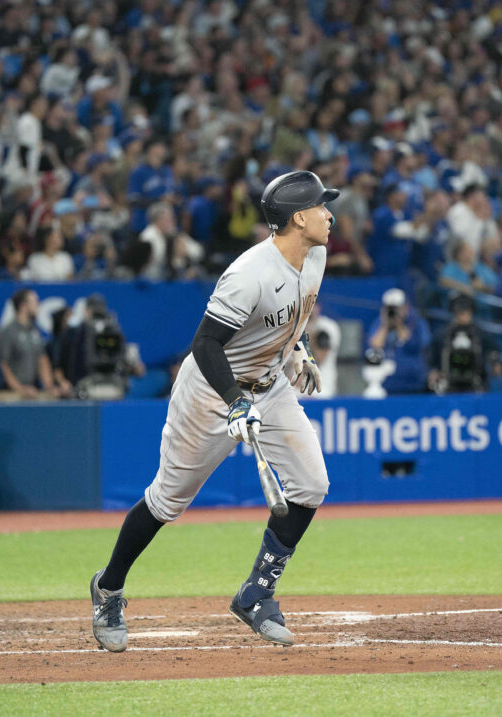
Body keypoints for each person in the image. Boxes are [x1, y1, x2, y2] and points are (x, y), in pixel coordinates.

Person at [90, 170, 337, 652]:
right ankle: (109, 587)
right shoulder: (250, 274)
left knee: (312, 484)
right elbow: (205, 344)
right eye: (321, 206)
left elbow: (297, 314)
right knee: (167, 501)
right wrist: (234, 401)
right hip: (210, 391)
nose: (330, 214)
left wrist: (300, 350)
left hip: (270, 383)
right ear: (299, 217)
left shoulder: (316, 255)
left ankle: (256, 593)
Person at [0, 288, 72, 399]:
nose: (38, 305)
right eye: (35, 302)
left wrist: (49, 386)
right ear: (23, 306)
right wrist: (19, 388)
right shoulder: (8, 332)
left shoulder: (34, 331)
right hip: (11, 394)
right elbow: (3, 365)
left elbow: (42, 359)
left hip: (32, 391)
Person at [365, 288, 431, 394]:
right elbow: (374, 347)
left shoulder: (416, 323)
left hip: (413, 384)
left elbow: (414, 345)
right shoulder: (379, 323)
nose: (393, 312)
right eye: (390, 308)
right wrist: (385, 325)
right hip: (387, 385)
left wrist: (399, 324)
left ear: (405, 307)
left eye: (396, 308)